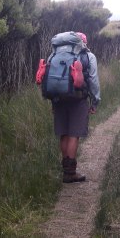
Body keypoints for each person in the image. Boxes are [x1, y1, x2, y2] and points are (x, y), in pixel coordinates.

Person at [51, 31, 100, 183]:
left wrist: (53, 102)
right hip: (79, 100)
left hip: (59, 99)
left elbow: (51, 80)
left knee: (64, 134)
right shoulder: (88, 56)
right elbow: (93, 80)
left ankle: (65, 169)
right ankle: (70, 173)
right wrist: (95, 100)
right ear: (83, 43)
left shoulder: (54, 55)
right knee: (74, 134)